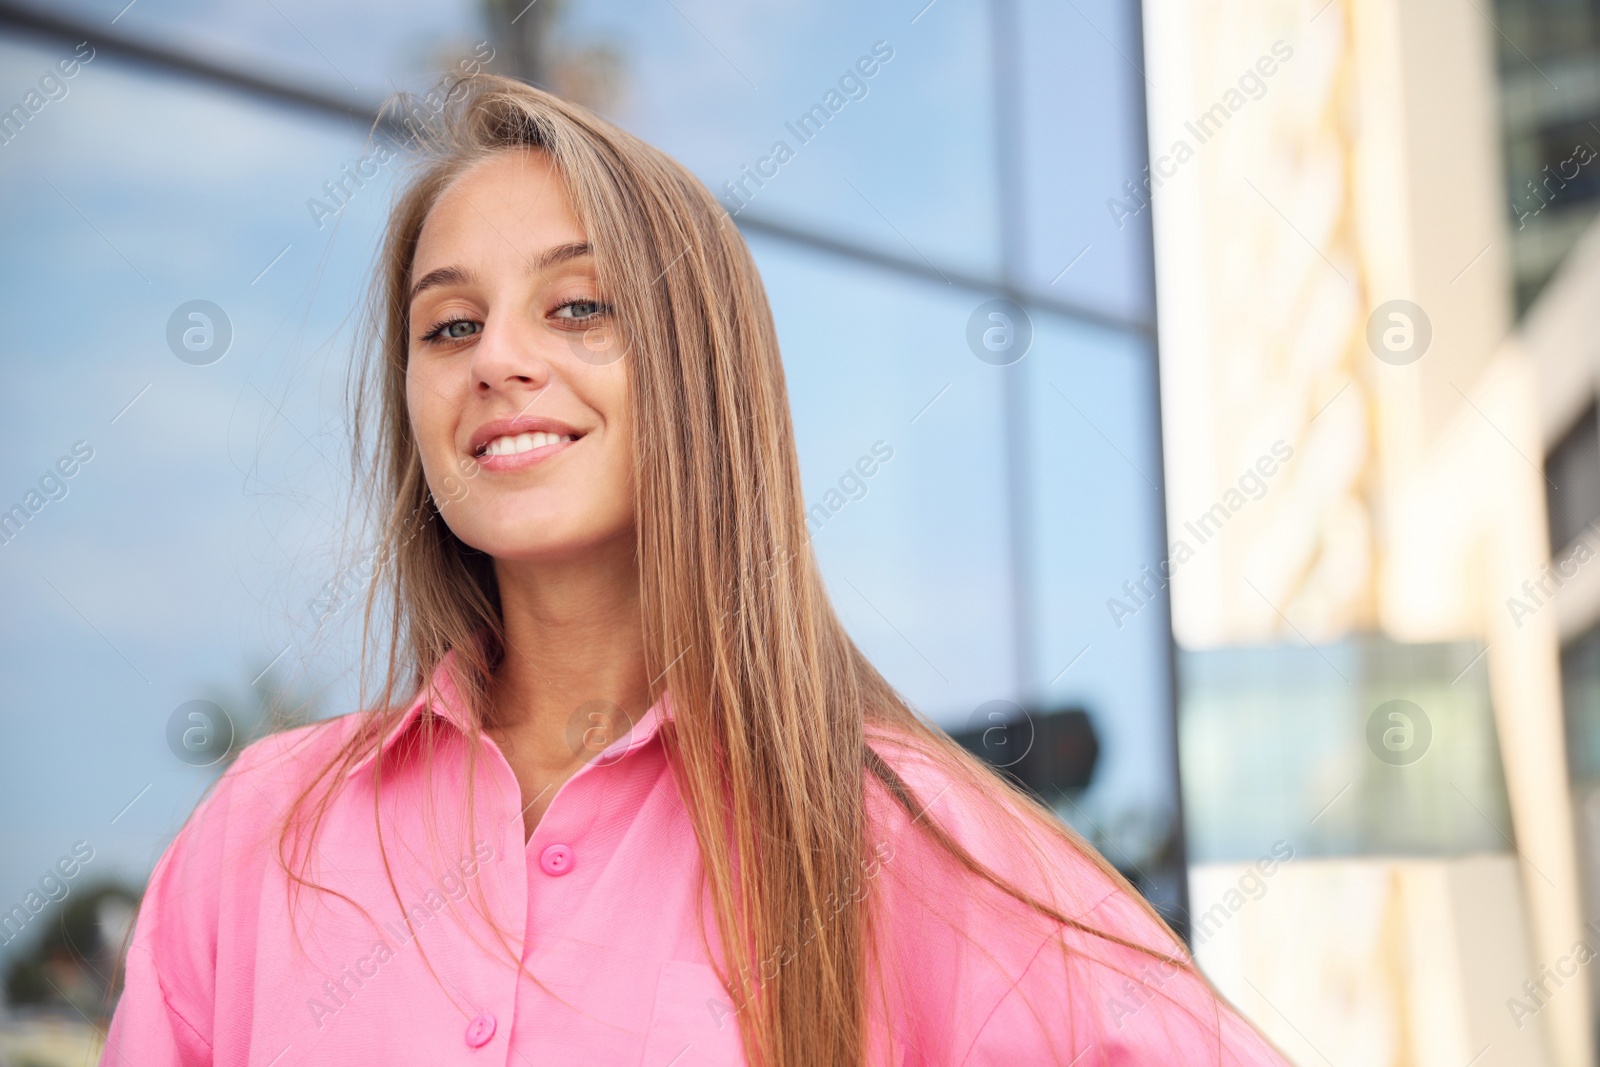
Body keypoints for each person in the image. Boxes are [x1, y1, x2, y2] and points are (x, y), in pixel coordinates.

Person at [102, 75, 1289, 1066]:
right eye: (449, 325)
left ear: (697, 369)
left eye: (577, 306)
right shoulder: (264, 831)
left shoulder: (897, 834)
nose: (499, 357)